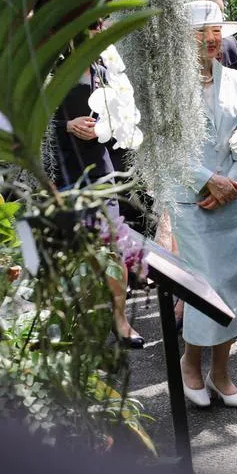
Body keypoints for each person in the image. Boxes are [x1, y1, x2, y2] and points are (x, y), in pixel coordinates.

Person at [167, 0, 237, 409]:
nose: (211, 38)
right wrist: (207, 180)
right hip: (192, 200)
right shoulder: (168, 86)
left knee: (233, 286)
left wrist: (232, 182)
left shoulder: (235, 81)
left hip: (232, 201)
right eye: (201, 32)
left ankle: (221, 372)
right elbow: (164, 147)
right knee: (205, 287)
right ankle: (190, 361)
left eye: (216, 30)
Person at [50, 23, 143, 349]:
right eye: (88, 28)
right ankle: (77, 324)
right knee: (73, 251)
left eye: (99, 28)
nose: (95, 34)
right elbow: (35, 119)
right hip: (64, 170)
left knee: (113, 246)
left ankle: (120, 319)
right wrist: (66, 125)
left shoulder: (107, 73)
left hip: (102, 169)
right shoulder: (53, 71)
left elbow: (126, 121)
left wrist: (105, 125)